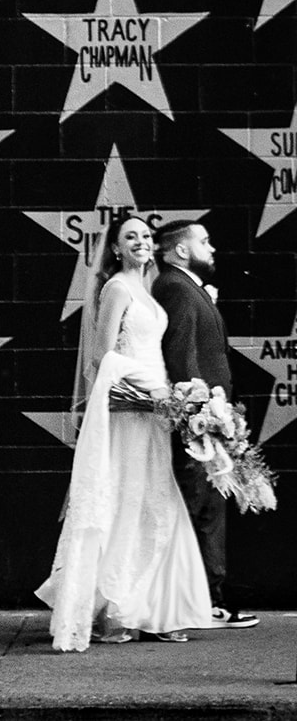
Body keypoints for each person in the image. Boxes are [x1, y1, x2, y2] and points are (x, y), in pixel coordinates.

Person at [35, 215, 211, 651]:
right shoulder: (116, 289)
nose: (142, 242)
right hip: (129, 413)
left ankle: (152, 609)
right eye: (130, 236)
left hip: (153, 414)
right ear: (115, 248)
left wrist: (171, 398)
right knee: (126, 502)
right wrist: (145, 396)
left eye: (147, 236)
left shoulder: (149, 291)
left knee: (154, 504)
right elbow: (102, 357)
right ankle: (115, 610)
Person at [152, 219, 256, 630]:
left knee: (209, 506)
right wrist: (200, 416)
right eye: (204, 241)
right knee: (200, 506)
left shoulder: (185, 285)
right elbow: (180, 355)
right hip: (198, 423)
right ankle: (200, 600)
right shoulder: (175, 287)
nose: (212, 249)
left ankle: (208, 597)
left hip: (209, 418)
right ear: (181, 250)